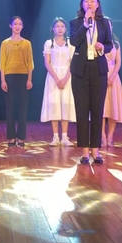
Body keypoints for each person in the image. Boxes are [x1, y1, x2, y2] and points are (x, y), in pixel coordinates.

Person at [69, 0, 113, 165]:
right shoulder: (75, 22)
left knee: (97, 110)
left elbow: (110, 44)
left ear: (97, 4)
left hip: (98, 68)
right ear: (82, 4)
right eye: (86, 1)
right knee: (82, 111)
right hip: (80, 70)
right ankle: (84, 151)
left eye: (92, 1)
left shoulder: (104, 22)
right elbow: (74, 41)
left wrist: (103, 47)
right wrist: (85, 25)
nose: (89, 4)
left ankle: (95, 149)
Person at [40, 17, 75, 147]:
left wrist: (65, 79)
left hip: (67, 76)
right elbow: (47, 63)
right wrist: (56, 78)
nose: (60, 29)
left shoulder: (70, 44)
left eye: (62, 26)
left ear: (65, 29)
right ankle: (55, 137)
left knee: (65, 104)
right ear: (53, 28)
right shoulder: (49, 43)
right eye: (57, 26)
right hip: (52, 76)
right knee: (54, 104)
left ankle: (65, 137)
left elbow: (72, 63)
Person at [0, 16, 34, 147]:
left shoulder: (27, 43)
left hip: (23, 77)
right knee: (10, 108)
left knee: (22, 108)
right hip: (9, 77)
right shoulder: (5, 43)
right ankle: (11, 137)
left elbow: (30, 63)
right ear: (10, 26)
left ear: (22, 26)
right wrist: (3, 80)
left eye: (20, 24)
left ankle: (21, 137)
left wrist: (29, 79)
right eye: (15, 24)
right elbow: (2, 63)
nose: (17, 26)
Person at [101, 27, 122, 147]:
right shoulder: (97, 41)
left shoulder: (116, 43)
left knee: (113, 107)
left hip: (113, 75)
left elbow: (118, 62)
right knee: (101, 108)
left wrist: (112, 76)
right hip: (100, 73)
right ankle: (102, 137)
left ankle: (110, 136)